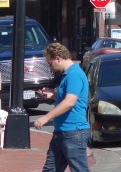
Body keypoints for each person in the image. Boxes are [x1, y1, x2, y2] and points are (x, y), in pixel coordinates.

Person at [32, 42, 90, 172]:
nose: (50, 67)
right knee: (50, 169)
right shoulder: (67, 75)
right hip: (61, 131)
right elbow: (68, 98)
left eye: (50, 63)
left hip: (73, 131)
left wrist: (46, 117)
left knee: (79, 169)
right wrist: (53, 95)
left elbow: (70, 102)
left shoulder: (74, 74)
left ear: (58, 58)